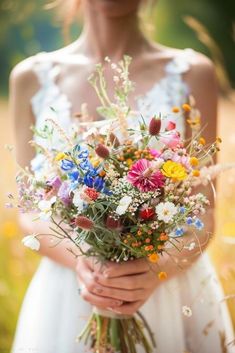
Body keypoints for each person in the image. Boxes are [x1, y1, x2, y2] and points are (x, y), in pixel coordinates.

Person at [10, 0, 235, 352]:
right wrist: (87, 265)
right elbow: (28, 210)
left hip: (168, 288)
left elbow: (203, 213)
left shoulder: (193, 72)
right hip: (72, 288)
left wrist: (154, 271)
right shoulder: (30, 77)